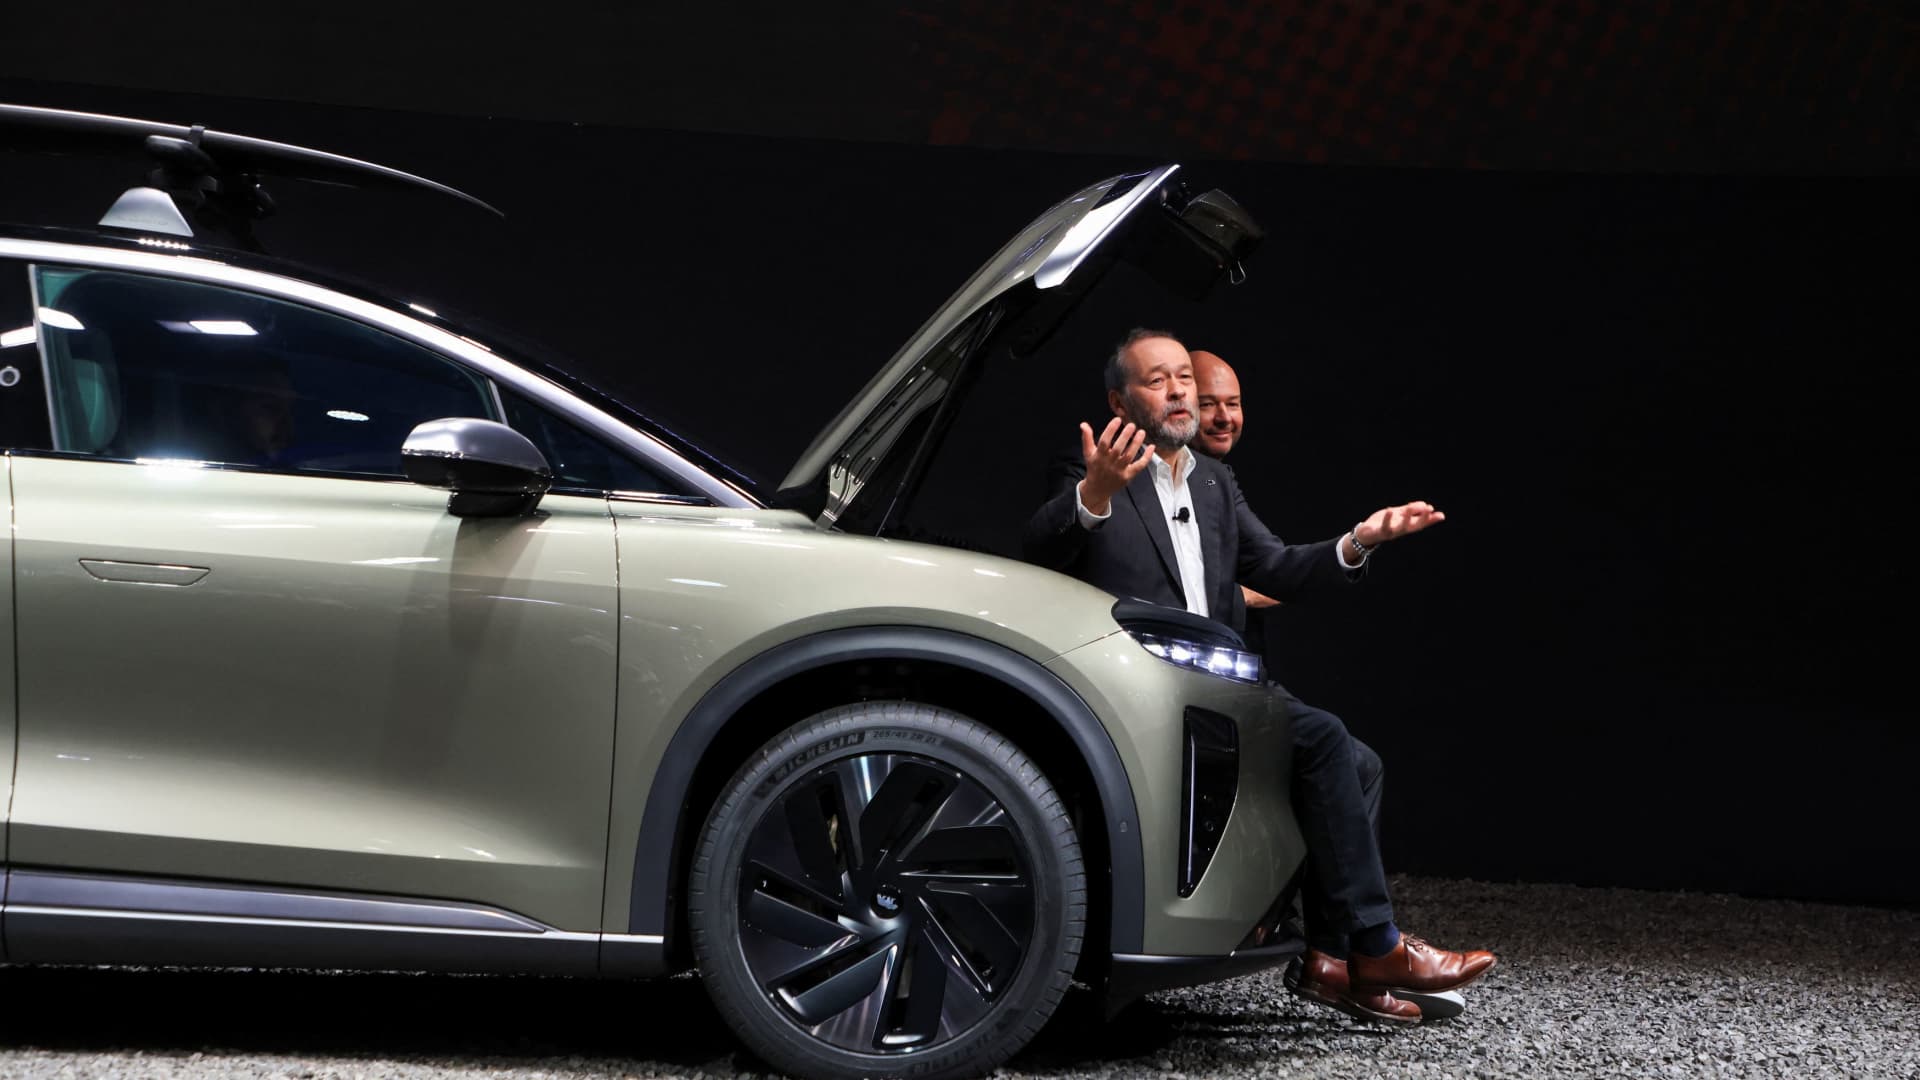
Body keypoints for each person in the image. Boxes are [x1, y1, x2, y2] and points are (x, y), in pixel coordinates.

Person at [1023, 328, 1496, 1024]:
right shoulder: (1092, 468)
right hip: (1138, 692)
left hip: (1216, 689)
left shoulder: (1214, 481)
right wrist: (1094, 494)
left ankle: (1332, 962)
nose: (1180, 390)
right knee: (1328, 739)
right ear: (1120, 400)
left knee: (1356, 765)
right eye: (1159, 380)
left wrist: (1357, 542)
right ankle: (1376, 947)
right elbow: (1040, 550)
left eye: (1185, 375)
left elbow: (1274, 567)